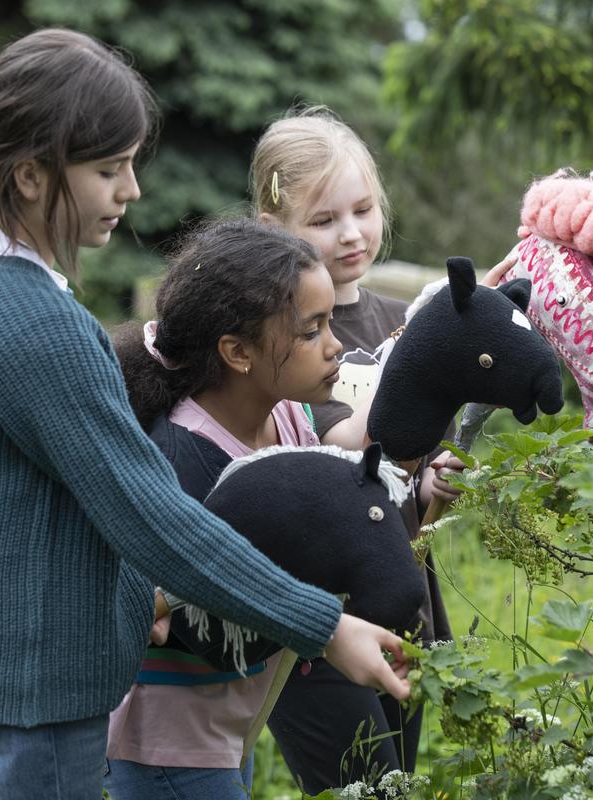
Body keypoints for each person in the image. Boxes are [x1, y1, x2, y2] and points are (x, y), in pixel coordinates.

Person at [0, 30, 408, 800]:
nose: (132, 191)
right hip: (26, 692)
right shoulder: (29, 323)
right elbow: (151, 516)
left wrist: (123, 599)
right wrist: (326, 625)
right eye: (109, 169)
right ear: (29, 176)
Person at [250, 107, 514, 792]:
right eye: (323, 219)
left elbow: (410, 473)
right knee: (360, 783)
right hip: (321, 611)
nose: (351, 233)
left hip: (403, 595)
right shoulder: (280, 334)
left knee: (396, 780)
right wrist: (426, 349)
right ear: (273, 228)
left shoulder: (399, 318)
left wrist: (434, 486)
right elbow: (338, 448)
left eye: (363, 210)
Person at [103, 217, 342, 799]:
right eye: (311, 331)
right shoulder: (183, 462)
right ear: (237, 352)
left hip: (228, 722)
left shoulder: (287, 416)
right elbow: (192, 610)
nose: (334, 345)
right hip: (170, 742)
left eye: (330, 322)